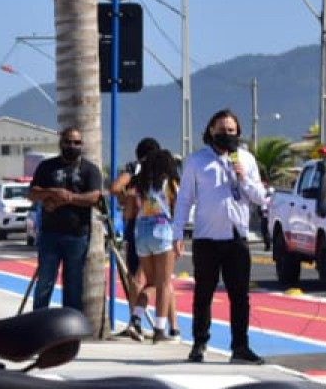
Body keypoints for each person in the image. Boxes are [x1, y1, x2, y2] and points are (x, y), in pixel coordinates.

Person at [176, 108, 268, 364]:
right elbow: (185, 199)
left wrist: (244, 178)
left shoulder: (246, 160)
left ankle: (240, 346)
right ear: (211, 131)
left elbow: (260, 198)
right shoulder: (196, 161)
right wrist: (178, 232)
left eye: (231, 130)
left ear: (238, 133)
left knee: (239, 295)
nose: (226, 134)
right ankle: (199, 343)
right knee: (203, 293)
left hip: (236, 237)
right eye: (221, 129)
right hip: (207, 238)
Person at [29, 127, 103, 312]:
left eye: (77, 142)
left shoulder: (90, 170)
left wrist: (67, 198)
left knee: (73, 284)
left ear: (82, 145)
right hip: (50, 235)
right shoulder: (46, 167)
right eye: (68, 142)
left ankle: (70, 325)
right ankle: (38, 321)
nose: (72, 145)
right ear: (61, 143)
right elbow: (32, 193)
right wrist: (53, 192)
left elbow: (94, 197)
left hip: (77, 235)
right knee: (45, 281)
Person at [129, 147, 182, 343]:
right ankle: (159, 328)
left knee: (151, 283)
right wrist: (179, 237)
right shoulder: (170, 183)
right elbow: (178, 208)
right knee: (164, 283)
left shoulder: (142, 184)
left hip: (142, 231)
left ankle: (136, 318)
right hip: (163, 229)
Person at [112, 137, 160, 332]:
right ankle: (142, 321)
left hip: (133, 226)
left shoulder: (134, 169)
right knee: (157, 280)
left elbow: (115, 189)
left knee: (135, 276)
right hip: (153, 225)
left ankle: (134, 320)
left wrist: (125, 199)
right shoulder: (158, 171)